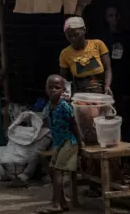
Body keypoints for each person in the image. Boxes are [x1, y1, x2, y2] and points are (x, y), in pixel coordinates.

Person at [38, 75, 82, 214]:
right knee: (51, 169)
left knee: (57, 171)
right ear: (46, 89)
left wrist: (80, 142)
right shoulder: (49, 104)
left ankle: (56, 204)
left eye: (57, 87)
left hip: (69, 141)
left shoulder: (64, 105)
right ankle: (62, 202)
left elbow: (74, 124)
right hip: (59, 142)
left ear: (63, 89)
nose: (53, 90)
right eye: (50, 87)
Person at [59, 16, 112, 95]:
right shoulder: (65, 53)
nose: (73, 38)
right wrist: (67, 93)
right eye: (69, 36)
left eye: (76, 34)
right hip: (80, 96)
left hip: (101, 93)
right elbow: (64, 78)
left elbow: (108, 68)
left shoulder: (98, 44)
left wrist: (107, 86)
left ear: (84, 30)